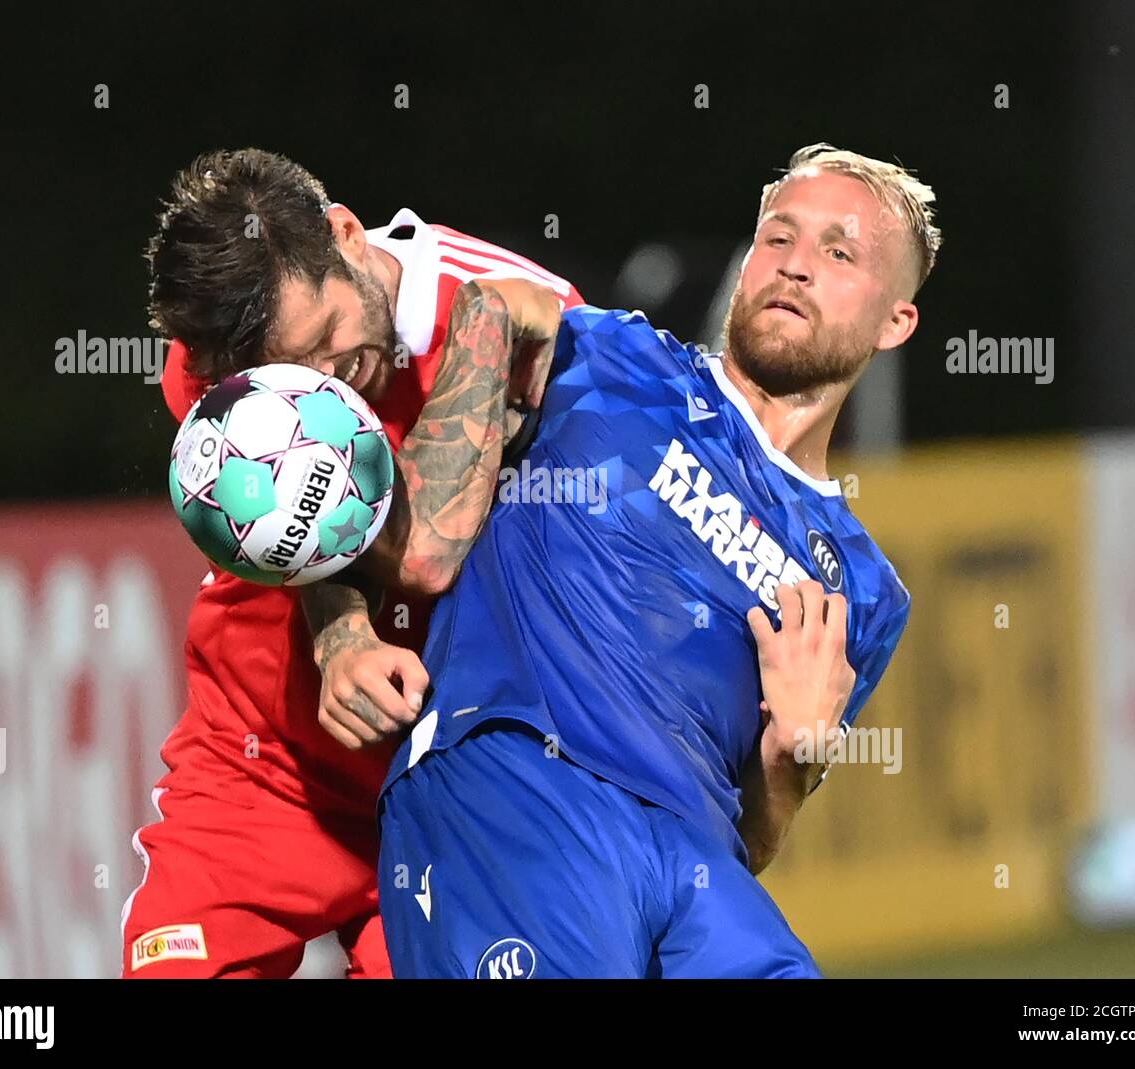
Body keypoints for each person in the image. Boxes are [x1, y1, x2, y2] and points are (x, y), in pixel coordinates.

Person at [370, 144, 939, 977]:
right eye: (777, 238)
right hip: (523, 790)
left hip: (695, 865)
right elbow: (388, 327)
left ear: (897, 320)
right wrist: (348, 615)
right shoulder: (605, 361)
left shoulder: (861, 591)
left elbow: (756, 838)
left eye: (838, 252)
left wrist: (796, 756)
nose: (795, 267)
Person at [121, 148, 581, 977]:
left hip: (460, 788)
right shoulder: (212, 368)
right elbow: (294, 527)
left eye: (327, 339)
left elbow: (425, 554)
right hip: (265, 760)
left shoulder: (523, 311)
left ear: (343, 234)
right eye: (291, 378)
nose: (330, 382)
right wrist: (339, 635)